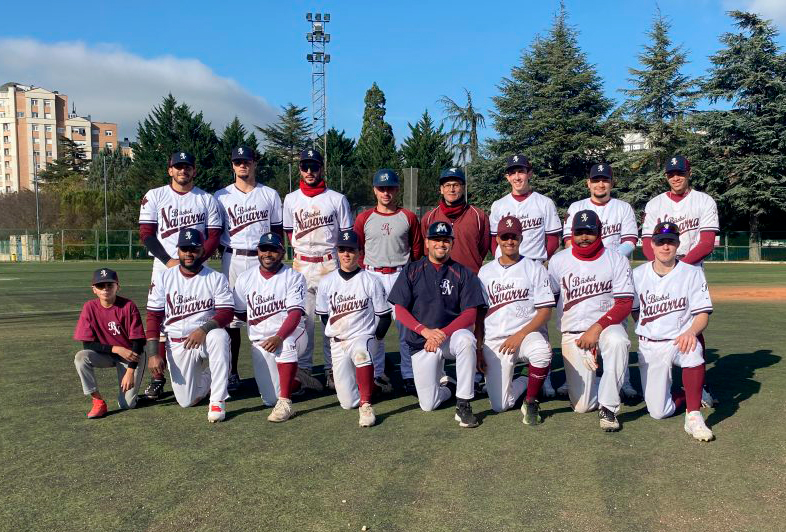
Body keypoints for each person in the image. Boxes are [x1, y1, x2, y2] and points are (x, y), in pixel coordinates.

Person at [139, 151, 222, 401]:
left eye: (187, 167)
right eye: (178, 167)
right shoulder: (155, 195)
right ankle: (157, 378)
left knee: (197, 313)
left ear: (194, 170)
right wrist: (169, 260)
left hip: (196, 265)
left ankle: (214, 369)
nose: (183, 171)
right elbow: (147, 234)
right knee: (163, 316)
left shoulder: (206, 199)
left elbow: (214, 236)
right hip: (164, 266)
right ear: (170, 170)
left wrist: (194, 261)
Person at [388, 222, 486, 428]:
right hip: (422, 341)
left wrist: (442, 333)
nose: (440, 244)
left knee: (467, 340)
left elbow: (470, 313)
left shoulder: (463, 273)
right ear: (427, 243)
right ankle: (449, 386)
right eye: (436, 240)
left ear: (452, 243)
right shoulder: (412, 270)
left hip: (450, 338)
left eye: (445, 240)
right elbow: (400, 310)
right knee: (428, 404)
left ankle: (464, 403)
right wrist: (425, 332)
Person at [641, 155, 720, 408]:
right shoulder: (655, 204)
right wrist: (662, 266)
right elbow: (646, 243)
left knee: (695, 325)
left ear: (689, 173)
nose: (676, 177)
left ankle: (698, 384)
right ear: (666, 176)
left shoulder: (704, 201)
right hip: (660, 268)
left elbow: (706, 242)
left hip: (691, 269)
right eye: (671, 173)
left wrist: (679, 268)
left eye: (681, 173)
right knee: (660, 316)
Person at [548, 210, 634, 432]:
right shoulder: (558, 261)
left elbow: (624, 303)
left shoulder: (616, 259)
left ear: (600, 232)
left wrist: (596, 328)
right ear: (572, 233)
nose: (584, 237)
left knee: (618, 341)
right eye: (579, 232)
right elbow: (550, 298)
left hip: (606, 327)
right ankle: (604, 383)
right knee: (582, 406)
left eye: (590, 232)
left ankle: (609, 406)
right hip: (573, 333)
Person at [561, 163, 639, 399]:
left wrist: (607, 258)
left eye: (605, 180)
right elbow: (568, 241)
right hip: (582, 273)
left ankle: (623, 381)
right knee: (578, 322)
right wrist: (589, 259)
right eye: (596, 180)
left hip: (614, 272)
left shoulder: (623, 207)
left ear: (611, 183)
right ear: (589, 183)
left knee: (618, 328)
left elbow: (630, 240)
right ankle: (576, 376)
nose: (600, 184)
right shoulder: (577, 207)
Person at [631, 222, 714, 441]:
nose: (665, 247)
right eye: (660, 242)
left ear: (677, 244)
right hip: (650, 344)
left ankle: (693, 415)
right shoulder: (637, 274)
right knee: (659, 412)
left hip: (679, 339)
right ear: (652, 245)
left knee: (693, 347)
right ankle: (688, 395)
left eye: (671, 242)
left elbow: (702, 315)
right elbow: (634, 311)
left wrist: (691, 332)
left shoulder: (692, 273)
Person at [489, 154, 562, 397]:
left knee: (540, 326)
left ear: (529, 173)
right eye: (512, 172)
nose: (517, 176)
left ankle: (546, 379)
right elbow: (493, 240)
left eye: (521, 171)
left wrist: (539, 261)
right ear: (507, 176)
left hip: (535, 267)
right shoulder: (499, 205)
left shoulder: (544, 202)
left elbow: (552, 237)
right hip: (508, 268)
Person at [214, 145, 283, 394]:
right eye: (238, 161)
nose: (243, 165)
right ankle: (232, 372)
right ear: (232, 165)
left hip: (261, 258)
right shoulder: (220, 196)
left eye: (247, 161)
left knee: (267, 312)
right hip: (232, 258)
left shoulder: (270, 194)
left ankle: (274, 369)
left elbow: (277, 232)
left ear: (255, 163)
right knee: (232, 319)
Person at [283, 148, 353, 391]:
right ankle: (303, 371)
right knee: (303, 321)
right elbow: (290, 232)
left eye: (314, 166)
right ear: (300, 169)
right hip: (301, 264)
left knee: (331, 320)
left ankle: (332, 369)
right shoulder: (291, 199)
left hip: (328, 263)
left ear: (322, 168)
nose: (310, 171)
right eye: (305, 167)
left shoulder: (337, 198)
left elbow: (346, 235)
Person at [145, 228, 233, 422]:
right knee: (186, 401)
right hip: (177, 343)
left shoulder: (215, 278)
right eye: (184, 249)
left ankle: (218, 400)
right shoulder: (164, 278)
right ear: (178, 251)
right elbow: (153, 316)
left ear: (202, 250)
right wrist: (153, 353)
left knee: (219, 337)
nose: (188, 253)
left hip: (205, 337)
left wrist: (204, 329)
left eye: (193, 249)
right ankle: (212, 374)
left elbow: (227, 312)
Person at [476, 217, 555, 425]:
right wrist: (478, 348)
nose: (509, 241)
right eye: (505, 237)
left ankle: (531, 400)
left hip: (525, 335)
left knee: (542, 351)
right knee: (500, 405)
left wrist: (519, 335)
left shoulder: (534, 268)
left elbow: (546, 311)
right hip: (495, 341)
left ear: (521, 238)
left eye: (514, 237)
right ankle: (523, 379)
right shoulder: (485, 272)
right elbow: (479, 313)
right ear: (498, 239)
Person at [233, 232, 319, 422]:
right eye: (264, 249)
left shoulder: (294, 277)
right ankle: (298, 379)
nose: (268, 253)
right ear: (258, 251)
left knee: (286, 344)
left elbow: (295, 314)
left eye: (274, 249)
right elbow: (238, 313)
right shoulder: (245, 278)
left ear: (282, 252)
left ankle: (286, 403)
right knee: (269, 399)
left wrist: (279, 337)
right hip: (260, 342)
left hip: (292, 334)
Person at [354, 169, 423, 395]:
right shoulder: (364, 218)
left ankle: (409, 375)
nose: (386, 192)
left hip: (400, 275)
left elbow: (416, 249)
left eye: (390, 188)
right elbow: (358, 249)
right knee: (375, 329)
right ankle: (376, 374)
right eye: (381, 188)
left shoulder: (408, 217)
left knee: (406, 329)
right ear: (374, 190)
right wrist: (364, 272)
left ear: (397, 189)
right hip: (373, 276)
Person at [315, 230, 392, 427]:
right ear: (336, 252)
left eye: (351, 250)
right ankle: (373, 387)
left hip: (363, 337)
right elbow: (324, 316)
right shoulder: (326, 282)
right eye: (342, 250)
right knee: (348, 403)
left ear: (359, 253)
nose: (346, 254)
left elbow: (384, 317)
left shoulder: (371, 280)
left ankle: (366, 405)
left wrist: (376, 341)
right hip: (339, 343)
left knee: (361, 353)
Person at [73, 268, 147, 418]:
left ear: (117, 287)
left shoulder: (128, 306)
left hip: (132, 355)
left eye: (109, 285)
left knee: (127, 405)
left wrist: (130, 372)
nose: (105, 289)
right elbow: (87, 344)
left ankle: (135, 395)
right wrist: (116, 349)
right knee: (81, 357)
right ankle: (98, 401)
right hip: (108, 354)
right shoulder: (89, 308)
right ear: (94, 289)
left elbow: (138, 341)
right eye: (100, 286)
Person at [419, 167, 490, 274]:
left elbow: (482, 249)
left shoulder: (479, 216)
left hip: (469, 278)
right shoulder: (429, 217)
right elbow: (426, 250)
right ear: (441, 189)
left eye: (456, 185)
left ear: (463, 188)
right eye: (447, 185)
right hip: (437, 278)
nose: (451, 189)